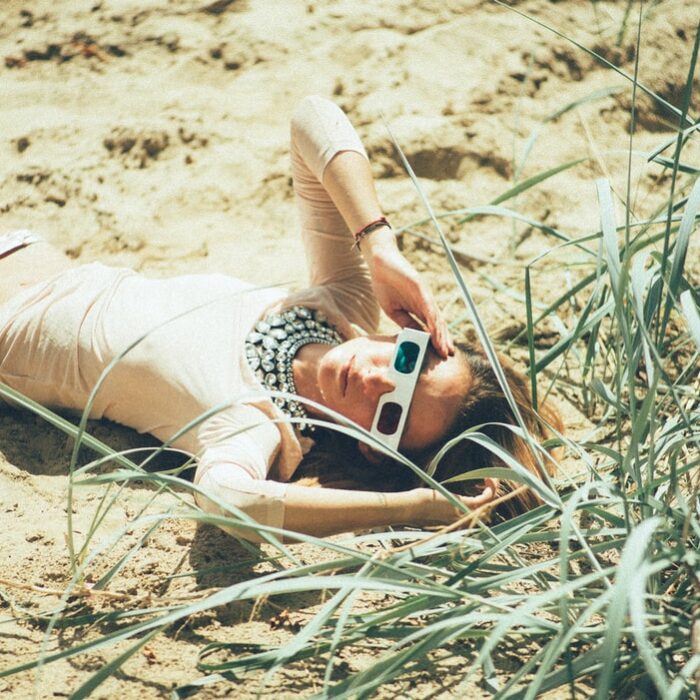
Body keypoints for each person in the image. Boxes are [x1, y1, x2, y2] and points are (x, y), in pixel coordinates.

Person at [0, 96, 559, 543]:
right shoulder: (343, 305)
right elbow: (312, 119)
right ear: (408, 332)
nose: (375, 379)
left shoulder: (256, 426)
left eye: (391, 413)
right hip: (22, 248)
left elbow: (227, 502)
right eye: (408, 361)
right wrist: (379, 245)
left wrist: (416, 507)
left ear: (371, 448)